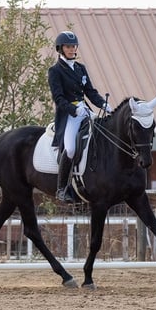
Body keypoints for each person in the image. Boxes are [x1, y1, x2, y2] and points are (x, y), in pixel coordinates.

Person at [47, 30, 111, 203]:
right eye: (68, 46)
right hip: (69, 115)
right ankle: (62, 189)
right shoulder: (55, 71)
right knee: (70, 148)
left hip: (85, 110)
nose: (72, 48)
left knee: (102, 136)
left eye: (74, 46)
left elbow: (90, 91)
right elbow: (58, 98)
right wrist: (74, 110)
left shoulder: (80, 68)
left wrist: (103, 105)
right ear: (61, 48)